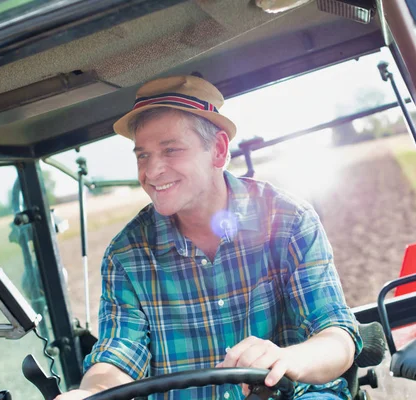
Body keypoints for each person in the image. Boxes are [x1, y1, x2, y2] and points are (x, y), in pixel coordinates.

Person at [56, 75, 363, 399]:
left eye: (170, 150)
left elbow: (337, 335)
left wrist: (288, 358)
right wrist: (87, 394)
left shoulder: (288, 222)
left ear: (218, 150)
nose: (152, 171)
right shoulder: (127, 255)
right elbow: (117, 356)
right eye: (142, 155)